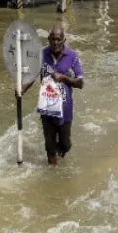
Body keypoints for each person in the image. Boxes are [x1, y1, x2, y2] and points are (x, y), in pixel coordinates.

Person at [40, 24, 84, 166]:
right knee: (49, 144)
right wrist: (21, 89)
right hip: (47, 107)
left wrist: (63, 78)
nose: (55, 43)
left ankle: (61, 149)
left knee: (65, 144)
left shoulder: (72, 56)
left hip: (65, 109)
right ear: (48, 39)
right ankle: (52, 173)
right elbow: (31, 75)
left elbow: (80, 83)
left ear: (64, 40)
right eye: (52, 39)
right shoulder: (42, 55)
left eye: (59, 39)